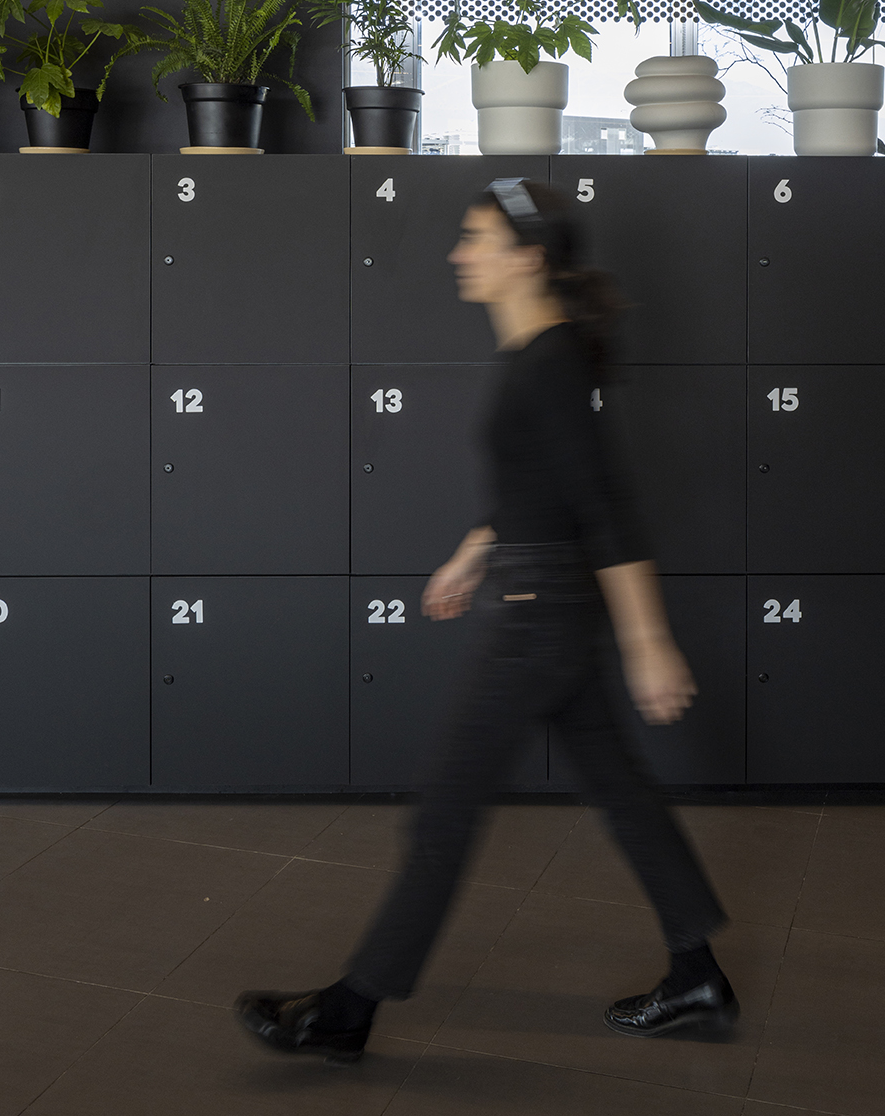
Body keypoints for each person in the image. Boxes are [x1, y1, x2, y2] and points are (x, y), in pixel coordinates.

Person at [236, 176, 736, 1066]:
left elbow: (604, 506)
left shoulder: (547, 363)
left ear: (527, 258)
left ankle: (346, 1012)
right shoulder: (538, 357)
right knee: (622, 793)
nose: (459, 254)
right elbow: (537, 489)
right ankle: (696, 973)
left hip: (536, 623)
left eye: (476, 239)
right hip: (545, 605)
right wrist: (475, 551)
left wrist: (649, 642)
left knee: (443, 812)